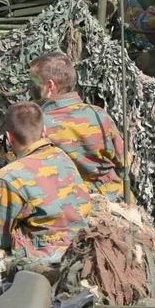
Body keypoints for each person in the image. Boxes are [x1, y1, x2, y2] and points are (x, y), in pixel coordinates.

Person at [0, 102, 91, 262]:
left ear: (10, 138)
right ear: (44, 131)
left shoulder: (8, 176)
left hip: (41, 257)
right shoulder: (62, 156)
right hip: (80, 247)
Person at [29, 52, 127, 202]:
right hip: (114, 198)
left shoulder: (37, 124)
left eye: (33, 82)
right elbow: (124, 160)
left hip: (71, 204)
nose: (30, 87)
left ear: (50, 86)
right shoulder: (99, 114)